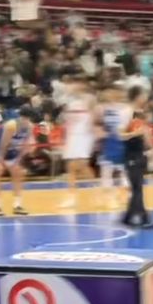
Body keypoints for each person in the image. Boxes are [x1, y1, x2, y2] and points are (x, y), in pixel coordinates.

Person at [0, 105, 34, 216]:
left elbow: (25, 145)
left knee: (17, 173)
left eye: (27, 118)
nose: (25, 120)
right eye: (24, 117)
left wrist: (18, 160)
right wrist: (1, 160)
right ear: (20, 117)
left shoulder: (30, 127)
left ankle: (17, 205)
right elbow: (3, 144)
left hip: (12, 148)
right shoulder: (11, 126)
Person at [121, 86, 153, 229]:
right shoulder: (127, 112)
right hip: (130, 153)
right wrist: (134, 134)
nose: (146, 97)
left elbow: (144, 132)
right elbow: (119, 135)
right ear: (137, 96)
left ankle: (128, 217)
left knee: (137, 186)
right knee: (137, 187)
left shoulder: (140, 113)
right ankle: (143, 218)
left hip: (139, 152)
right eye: (144, 94)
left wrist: (151, 149)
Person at [59, 76, 96, 208]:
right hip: (72, 134)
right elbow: (67, 119)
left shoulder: (90, 98)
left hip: (85, 134)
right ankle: (72, 197)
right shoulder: (68, 100)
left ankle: (95, 190)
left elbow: (94, 116)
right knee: (70, 166)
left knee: (81, 165)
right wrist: (65, 137)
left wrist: (94, 133)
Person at [97, 84, 132, 209]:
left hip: (121, 142)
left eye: (112, 92)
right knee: (106, 171)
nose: (109, 94)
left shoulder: (126, 109)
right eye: (109, 92)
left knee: (124, 172)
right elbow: (100, 124)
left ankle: (126, 197)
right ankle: (108, 198)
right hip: (109, 143)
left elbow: (122, 128)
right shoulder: (104, 108)